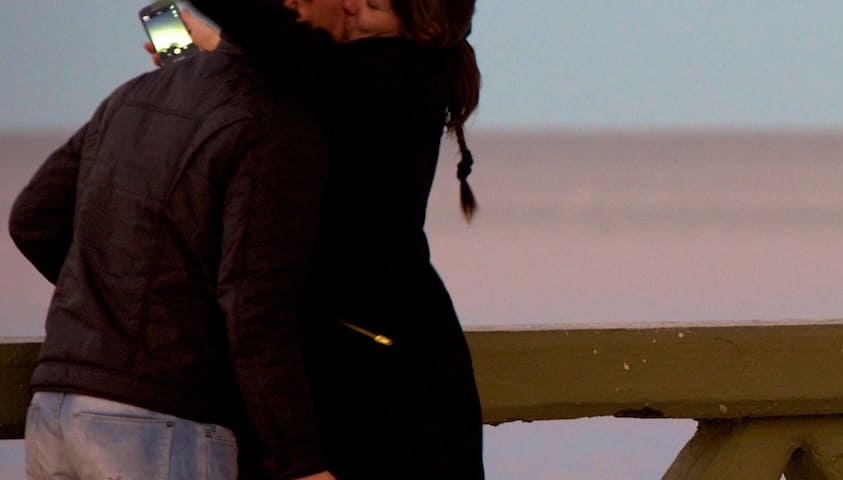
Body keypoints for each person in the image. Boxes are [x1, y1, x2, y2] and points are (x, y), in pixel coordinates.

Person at [7, 1, 351, 479]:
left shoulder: (133, 94)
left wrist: (113, 296)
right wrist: (302, 463)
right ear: (295, 8)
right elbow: (254, 307)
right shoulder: (275, 120)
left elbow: (33, 218)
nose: (352, 10)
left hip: (55, 407)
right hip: (162, 421)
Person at [185, 0, 488, 477]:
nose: (350, 5)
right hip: (403, 352)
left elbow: (280, 43)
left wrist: (221, 44)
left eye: (372, 6)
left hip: (381, 374)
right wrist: (214, 49)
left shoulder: (390, 77)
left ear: (423, 26)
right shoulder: (398, 79)